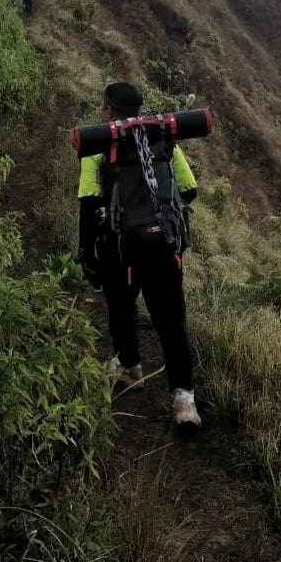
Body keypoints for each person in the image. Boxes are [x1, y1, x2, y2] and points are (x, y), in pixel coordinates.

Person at [77, 82, 202, 429]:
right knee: (172, 322)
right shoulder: (159, 137)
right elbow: (190, 190)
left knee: (121, 308)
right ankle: (184, 401)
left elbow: (88, 203)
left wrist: (87, 252)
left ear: (107, 109)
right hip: (162, 246)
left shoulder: (99, 143)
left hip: (118, 248)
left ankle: (131, 367)